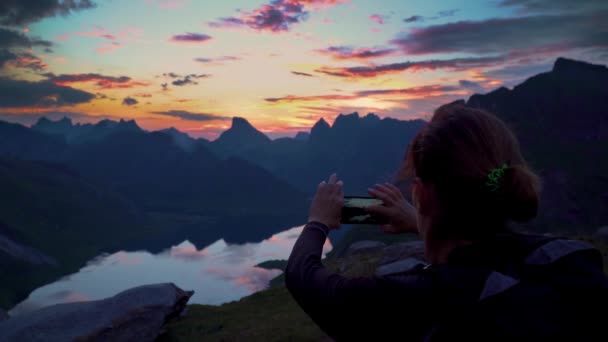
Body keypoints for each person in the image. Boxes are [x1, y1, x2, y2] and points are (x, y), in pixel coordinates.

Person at [285, 104, 608, 341]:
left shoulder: (417, 300)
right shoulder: (568, 263)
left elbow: (304, 278)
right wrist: (420, 223)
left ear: (423, 195)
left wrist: (318, 221)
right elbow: (487, 248)